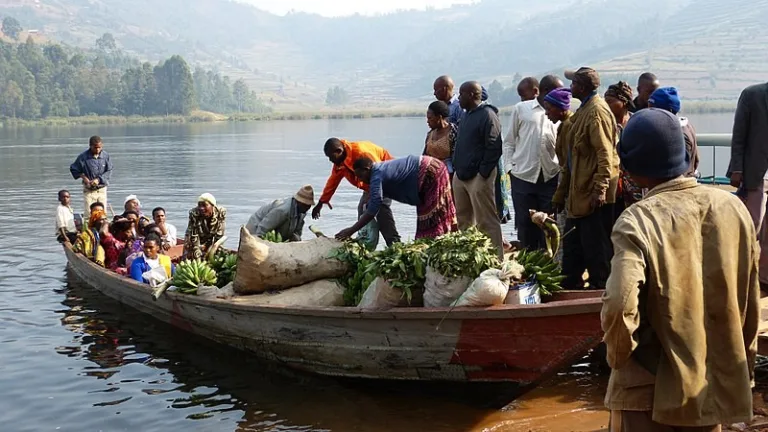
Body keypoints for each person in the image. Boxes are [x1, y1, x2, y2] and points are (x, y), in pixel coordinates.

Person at [602, 108, 759, 431]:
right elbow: (749, 302)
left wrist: (619, 358)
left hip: (650, 390)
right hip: (711, 383)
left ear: (631, 167)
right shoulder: (732, 208)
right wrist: (741, 366)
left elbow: (619, 305)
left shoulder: (637, 221)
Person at [559, 67, 619, 290]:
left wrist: (600, 189)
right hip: (579, 194)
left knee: (597, 251)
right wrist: (561, 194)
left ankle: (600, 292)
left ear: (582, 88)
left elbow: (606, 154)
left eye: (573, 83)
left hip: (593, 196)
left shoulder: (596, 113)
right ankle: (571, 290)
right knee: (574, 249)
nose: (570, 87)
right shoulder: (584, 110)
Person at [336, 155, 456, 240]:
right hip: (429, 170)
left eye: (360, 175)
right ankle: (440, 239)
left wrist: (350, 230)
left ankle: (441, 240)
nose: (360, 180)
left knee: (433, 214)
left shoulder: (376, 175)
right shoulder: (377, 172)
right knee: (426, 215)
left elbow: (373, 210)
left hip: (430, 172)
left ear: (367, 169)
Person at [503, 78, 559, 250]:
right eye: (558, 90)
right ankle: (527, 263)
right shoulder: (522, 109)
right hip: (522, 176)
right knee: (525, 224)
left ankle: (548, 262)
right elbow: (509, 142)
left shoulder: (559, 113)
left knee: (549, 223)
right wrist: (509, 169)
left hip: (550, 177)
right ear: (545, 90)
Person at [313, 138, 401, 246]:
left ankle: (395, 244)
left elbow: (378, 172)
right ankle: (363, 244)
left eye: (331, 157)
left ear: (339, 151)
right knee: (362, 209)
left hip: (386, 179)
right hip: (369, 185)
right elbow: (333, 181)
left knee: (380, 210)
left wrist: (350, 230)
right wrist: (322, 202)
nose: (330, 160)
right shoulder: (340, 163)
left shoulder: (360, 152)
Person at [452, 81, 504, 258]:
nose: (458, 98)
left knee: (486, 221)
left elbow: (494, 146)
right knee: (463, 220)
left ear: (473, 95)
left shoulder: (488, 114)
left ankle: (495, 260)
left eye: (461, 94)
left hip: (479, 177)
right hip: (461, 175)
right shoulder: (466, 115)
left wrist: (483, 173)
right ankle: (470, 258)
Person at [728, 81, 768, 288]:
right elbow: (739, 134)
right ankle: (740, 274)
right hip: (754, 174)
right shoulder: (752, 94)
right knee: (751, 226)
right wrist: (737, 169)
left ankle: (764, 278)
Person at [605, 81, 644, 210]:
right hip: (612, 181)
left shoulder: (636, 122)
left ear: (624, 102)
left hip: (634, 181)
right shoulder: (605, 125)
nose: (606, 105)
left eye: (610, 101)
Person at [648, 86, 700, 177]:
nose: (648, 113)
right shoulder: (685, 126)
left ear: (669, 111)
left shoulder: (678, 135)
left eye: (653, 110)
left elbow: (680, 172)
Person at [246, 185, 315, 241]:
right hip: (255, 229)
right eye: (306, 205)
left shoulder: (301, 212)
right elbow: (263, 227)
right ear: (300, 203)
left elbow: (297, 233)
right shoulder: (283, 210)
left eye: (309, 205)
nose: (308, 208)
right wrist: (258, 241)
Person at [69, 136, 112, 216]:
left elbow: (109, 170)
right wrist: (83, 177)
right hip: (89, 190)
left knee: (102, 214)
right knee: (89, 213)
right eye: (95, 148)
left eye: (99, 147)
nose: (97, 150)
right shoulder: (83, 157)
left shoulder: (106, 156)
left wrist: (98, 180)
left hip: (102, 189)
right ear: (90, 146)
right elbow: (73, 169)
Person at [183, 193, 226, 260]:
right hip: (194, 237)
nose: (201, 208)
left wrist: (213, 251)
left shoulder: (220, 213)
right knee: (190, 252)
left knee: (218, 253)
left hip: (210, 236)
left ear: (212, 205)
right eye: (199, 206)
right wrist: (197, 255)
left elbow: (219, 237)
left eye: (204, 205)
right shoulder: (194, 214)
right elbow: (194, 237)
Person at [424, 100, 458, 176]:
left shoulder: (453, 132)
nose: (427, 121)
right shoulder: (430, 134)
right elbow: (425, 156)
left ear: (439, 117)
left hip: (448, 174)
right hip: (431, 174)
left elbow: (456, 158)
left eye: (430, 118)